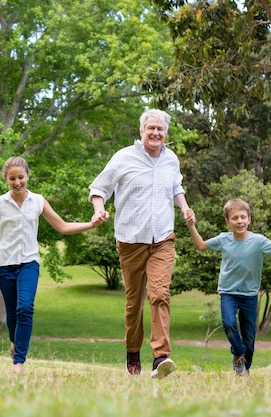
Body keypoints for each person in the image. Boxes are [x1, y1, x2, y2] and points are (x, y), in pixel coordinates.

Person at [0, 156, 105, 374]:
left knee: (25, 308)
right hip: (4, 265)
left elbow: (62, 226)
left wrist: (91, 225)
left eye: (21, 177)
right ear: (6, 179)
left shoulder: (38, 201)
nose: (17, 182)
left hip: (29, 263)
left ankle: (18, 362)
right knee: (12, 315)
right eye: (12, 178)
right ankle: (14, 342)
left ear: (27, 176)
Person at [88, 108, 191, 378]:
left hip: (163, 239)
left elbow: (176, 187)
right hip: (131, 241)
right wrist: (98, 209)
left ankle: (161, 357)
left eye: (160, 129)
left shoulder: (171, 159)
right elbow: (99, 188)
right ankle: (133, 351)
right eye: (151, 129)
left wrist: (184, 208)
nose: (156, 133)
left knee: (160, 295)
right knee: (134, 303)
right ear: (142, 131)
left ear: (165, 133)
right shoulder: (124, 158)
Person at [185, 199, 271, 376]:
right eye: (235, 218)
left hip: (250, 295)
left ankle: (245, 367)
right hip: (228, 292)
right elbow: (200, 246)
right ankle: (238, 353)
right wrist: (191, 226)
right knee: (229, 323)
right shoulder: (223, 239)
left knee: (249, 336)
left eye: (243, 217)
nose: (239, 221)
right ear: (228, 222)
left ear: (249, 219)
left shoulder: (258, 241)